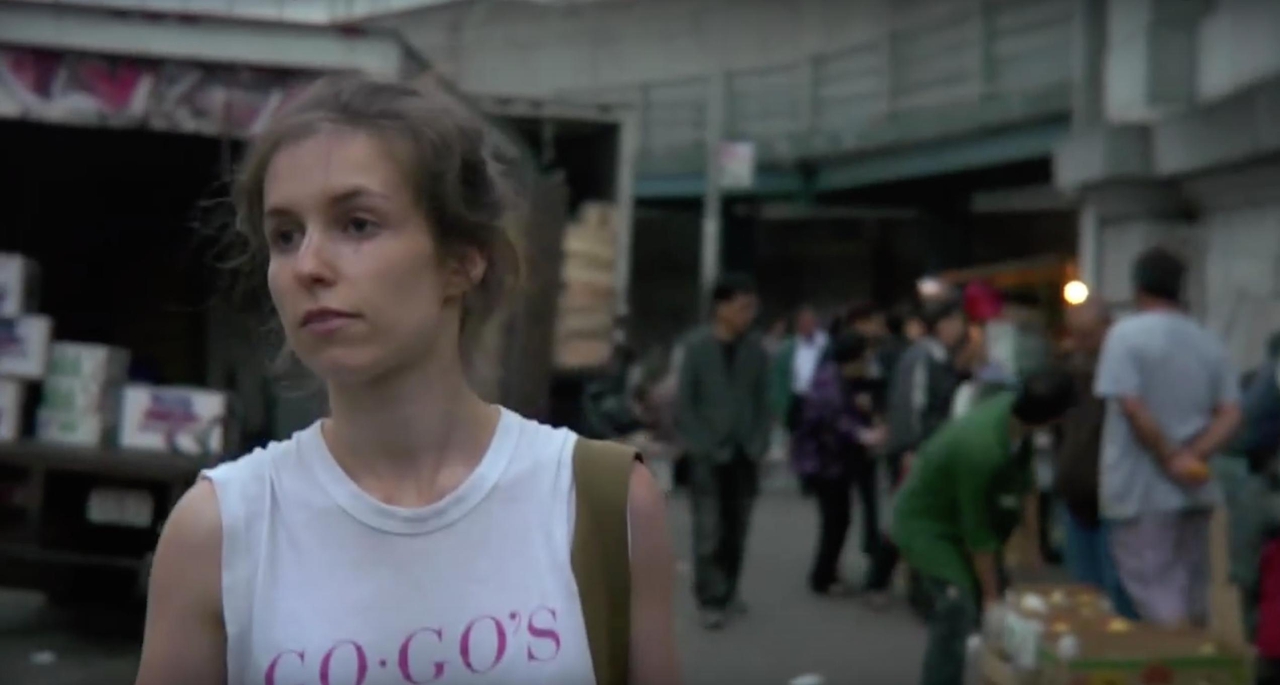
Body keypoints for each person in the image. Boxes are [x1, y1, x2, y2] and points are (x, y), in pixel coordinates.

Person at [134, 76, 680, 685]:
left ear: (462, 258)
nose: (308, 266)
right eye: (285, 235)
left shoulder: (601, 502)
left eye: (358, 224)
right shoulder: (220, 528)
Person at [892, 368, 1078, 685]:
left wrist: (1034, 546)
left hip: (958, 512)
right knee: (957, 607)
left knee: (1004, 607)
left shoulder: (1016, 413)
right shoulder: (981, 450)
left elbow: (1026, 484)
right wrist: (990, 598)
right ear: (1052, 419)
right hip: (925, 523)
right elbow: (977, 533)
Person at [1095, 246, 1242, 628]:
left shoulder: (1124, 337)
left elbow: (1132, 406)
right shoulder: (1209, 341)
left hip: (1140, 492)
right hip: (1195, 491)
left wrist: (1170, 456)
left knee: (1157, 599)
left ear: (1138, 288)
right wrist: (1194, 455)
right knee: (1192, 595)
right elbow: (1231, 414)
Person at [676, 274, 771, 630]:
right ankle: (710, 598)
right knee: (708, 529)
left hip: (746, 453)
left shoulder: (757, 349)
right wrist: (699, 443)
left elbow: (765, 401)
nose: (748, 314)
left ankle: (730, 591)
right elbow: (685, 403)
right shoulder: (696, 347)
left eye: (752, 307)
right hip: (707, 454)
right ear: (721, 307)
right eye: (742, 306)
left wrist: (760, 441)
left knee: (737, 528)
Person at [863, 295, 969, 608]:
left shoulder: (938, 357)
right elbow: (912, 406)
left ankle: (905, 584)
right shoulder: (924, 357)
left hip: (926, 447)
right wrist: (911, 448)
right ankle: (883, 581)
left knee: (913, 515)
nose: (961, 329)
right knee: (907, 516)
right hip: (917, 449)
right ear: (942, 325)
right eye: (957, 322)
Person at [1056, 299, 1138, 618]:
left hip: (1113, 500)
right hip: (1077, 497)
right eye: (1074, 335)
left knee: (1115, 593)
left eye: (1086, 335)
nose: (1079, 344)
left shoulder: (1124, 374)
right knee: (1083, 596)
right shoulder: (1072, 375)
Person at [791, 332, 886, 596]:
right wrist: (864, 435)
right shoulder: (829, 382)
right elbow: (835, 421)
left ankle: (828, 572)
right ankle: (822, 577)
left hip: (831, 462)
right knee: (835, 520)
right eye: (864, 358)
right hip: (824, 463)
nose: (867, 363)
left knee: (838, 519)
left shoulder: (837, 378)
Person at [770, 304, 830, 434]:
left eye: (809, 321)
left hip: (821, 399)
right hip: (797, 399)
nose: (806, 325)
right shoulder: (788, 347)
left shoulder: (826, 344)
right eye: (802, 322)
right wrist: (779, 407)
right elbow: (779, 376)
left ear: (816, 322)